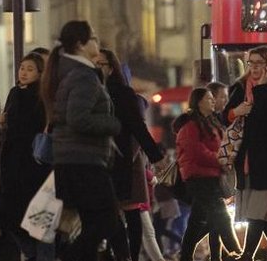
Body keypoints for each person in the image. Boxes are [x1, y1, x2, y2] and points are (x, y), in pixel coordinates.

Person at [41, 20, 121, 261]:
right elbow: (78, 118)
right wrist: (113, 124)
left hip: (76, 160)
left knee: (91, 224)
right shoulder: (83, 76)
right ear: (80, 44)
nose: (97, 41)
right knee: (107, 221)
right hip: (83, 161)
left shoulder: (73, 72)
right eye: (93, 37)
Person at [225, 45, 267, 261]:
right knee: (262, 215)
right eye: (250, 63)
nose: (254, 67)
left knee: (257, 214)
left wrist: (261, 89)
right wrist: (236, 112)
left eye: (259, 63)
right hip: (245, 160)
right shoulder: (239, 87)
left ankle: (246, 256)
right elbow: (223, 116)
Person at [99, 48, 165, 261]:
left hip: (119, 161)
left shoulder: (123, 94)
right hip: (95, 162)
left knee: (129, 212)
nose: (97, 68)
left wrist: (156, 157)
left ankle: (127, 256)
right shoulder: (86, 91)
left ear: (112, 68)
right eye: (94, 63)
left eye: (102, 64)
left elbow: (138, 128)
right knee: (108, 215)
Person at [0, 52, 53, 261]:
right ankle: (33, 255)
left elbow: (29, 125)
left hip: (34, 165)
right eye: (21, 68)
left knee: (37, 222)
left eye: (30, 69)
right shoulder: (15, 92)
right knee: (13, 221)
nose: (24, 72)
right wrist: (2, 121)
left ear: (40, 73)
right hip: (13, 165)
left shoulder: (42, 96)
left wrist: (7, 121)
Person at [175, 88, 241, 261]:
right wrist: (220, 160)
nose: (213, 101)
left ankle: (185, 256)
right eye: (209, 98)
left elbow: (221, 147)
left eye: (213, 98)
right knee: (221, 215)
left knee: (198, 222)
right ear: (199, 102)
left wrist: (227, 159)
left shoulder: (212, 123)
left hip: (212, 177)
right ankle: (237, 252)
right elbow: (197, 152)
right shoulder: (190, 126)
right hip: (199, 178)